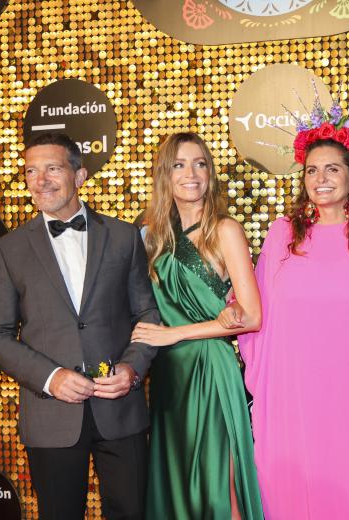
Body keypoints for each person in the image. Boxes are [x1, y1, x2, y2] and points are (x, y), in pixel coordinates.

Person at [229, 103, 349, 519]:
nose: (320, 180)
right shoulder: (281, 234)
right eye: (311, 170)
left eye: (332, 170)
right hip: (292, 393)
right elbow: (258, 312)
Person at [0, 132, 159, 520]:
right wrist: (51, 377)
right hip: (50, 416)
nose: (40, 179)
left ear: (79, 176)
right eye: (31, 171)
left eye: (53, 168)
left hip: (120, 410)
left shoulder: (124, 236)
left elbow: (147, 315)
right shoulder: (9, 249)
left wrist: (131, 369)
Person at [129, 132, 264, 519]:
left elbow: (252, 317)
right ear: (164, 175)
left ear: (211, 174)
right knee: (178, 488)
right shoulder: (151, 238)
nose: (191, 173)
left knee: (221, 486)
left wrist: (177, 333)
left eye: (200, 163)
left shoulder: (224, 230)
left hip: (211, 370)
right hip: (170, 376)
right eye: (180, 164)